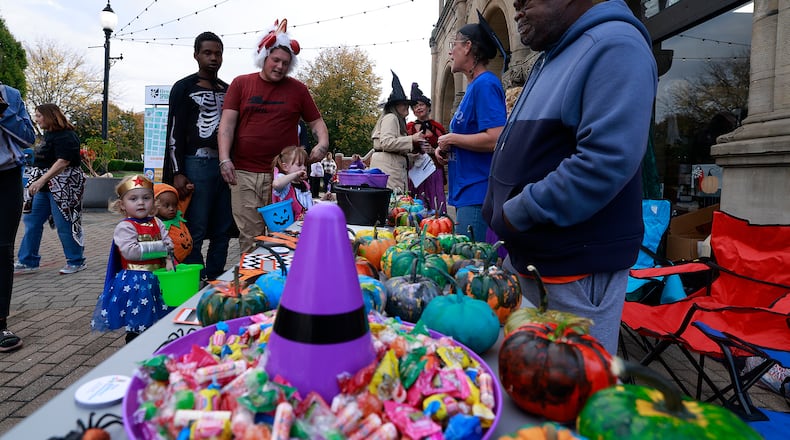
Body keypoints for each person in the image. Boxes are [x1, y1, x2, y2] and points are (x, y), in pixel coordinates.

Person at [482, 0, 658, 354]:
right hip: (535, 262)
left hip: (572, 272)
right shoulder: (555, 54)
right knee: (521, 376)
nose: (516, 7)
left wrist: (518, 211)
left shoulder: (615, 44)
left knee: (567, 383)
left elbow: (604, 161)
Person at [218, 18, 329, 252]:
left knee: (286, 233)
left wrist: (323, 143)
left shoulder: (298, 90)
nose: (280, 66)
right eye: (275, 60)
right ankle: (252, 274)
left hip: (284, 174)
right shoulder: (240, 84)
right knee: (250, 236)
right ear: (264, 57)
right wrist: (224, 159)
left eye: (285, 63)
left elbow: (317, 122)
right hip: (244, 173)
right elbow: (226, 125)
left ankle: (285, 274)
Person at [163, 31, 232, 281]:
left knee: (223, 226)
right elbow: (174, 131)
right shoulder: (184, 87)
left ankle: (215, 276)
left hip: (224, 164)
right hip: (196, 164)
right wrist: (178, 171)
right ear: (196, 55)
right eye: (207, 53)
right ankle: (196, 276)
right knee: (196, 226)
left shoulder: (228, 89)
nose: (213, 58)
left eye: (218, 53)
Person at [435, 12, 507, 240]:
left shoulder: (485, 84)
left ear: (467, 47)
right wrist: (448, 148)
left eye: (453, 45)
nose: (450, 52)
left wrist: (452, 139)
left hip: (477, 192)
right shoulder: (474, 86)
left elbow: (495, 138)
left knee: (470, 258)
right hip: (465, 191)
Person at [91, 175, 174, 343]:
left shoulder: (157, 222)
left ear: (154, 201)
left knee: (160, 312)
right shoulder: (125, 227)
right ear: (122, 204)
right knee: (139, 316)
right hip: (136, 281)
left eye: (146, 198)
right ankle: (135, 343)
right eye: (133, 199)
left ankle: (157, 342)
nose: (141, 203)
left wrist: (169, 259)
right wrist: (162, 248)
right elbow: (131, 252)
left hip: (159, 277)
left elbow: (170, 244)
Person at [15, 103, 86, 275]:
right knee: (32, 222)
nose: (36, 119)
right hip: (44, 188)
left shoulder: (67, 136)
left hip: (63, 187)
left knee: (64, 223)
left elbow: (63, 162)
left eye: (39, 116)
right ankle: (28, 260)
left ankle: (76, 261)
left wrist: (41, 180)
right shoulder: (48, 135)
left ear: (49, 116)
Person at [0, 82, 36, 352]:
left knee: (2, 251)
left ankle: (0, 323)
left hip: (6, 178)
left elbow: (27, 138)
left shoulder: (10, 95)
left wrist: (4, 111)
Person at [371, 71, 425, 194]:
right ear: (395, 106)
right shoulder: (391, 118)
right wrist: (412, 139)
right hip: (389, 171)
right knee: (393, 202)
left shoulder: (395, 120)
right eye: (403, 104)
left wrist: (410, 158)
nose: (406, 106)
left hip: (392, 169)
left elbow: (393, 149)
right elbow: (386, 143)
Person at [406, 83, 447, 214]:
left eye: (421, 105)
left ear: (428, 106)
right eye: (415, 106)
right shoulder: (409, 128)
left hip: (434, 170)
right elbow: (404, 147)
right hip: (416, 171)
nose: (418, 108)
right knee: (417, 205)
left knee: (435, 203)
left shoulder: (437, 127)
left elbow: (446, 150)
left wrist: (434, 151)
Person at [154, 183, 193, 264]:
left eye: (174, 205)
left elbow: (184, 202)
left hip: (187, 256)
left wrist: (189, 192)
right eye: (166, 206)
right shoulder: (157, 224)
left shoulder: (178, 214)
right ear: (155, 206)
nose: (171, 209)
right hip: (172, 261)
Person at [272, 146, 312, 220]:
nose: (303, 168)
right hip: (289, 224)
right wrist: (296, 174)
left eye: (305, 165)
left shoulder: (305, 185)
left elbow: (309, 205)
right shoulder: (285, 183)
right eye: (299, 165)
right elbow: (277, 184)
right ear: (285, 167)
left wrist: (323, 200)